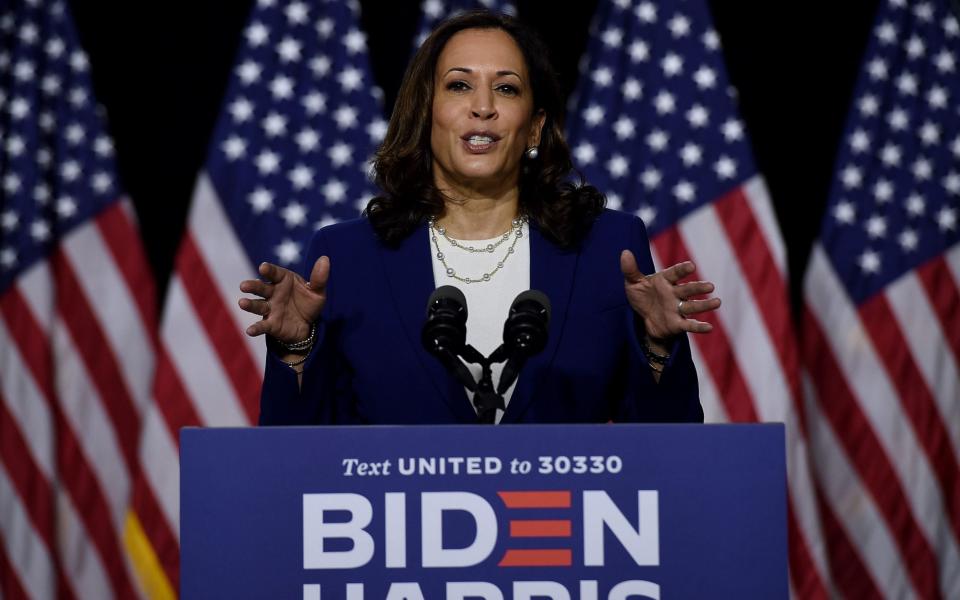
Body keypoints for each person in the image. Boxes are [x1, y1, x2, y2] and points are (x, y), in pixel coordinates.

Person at [239, 11, 720, 426]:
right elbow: (299, 458)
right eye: (459, 85)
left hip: (557, 527)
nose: (484, 107)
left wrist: (657, 347)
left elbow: (668, 451)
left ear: (534, 126)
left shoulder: (605, 247)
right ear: (426, 113)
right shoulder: (347, 257)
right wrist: (298, 348)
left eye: (507, 89)